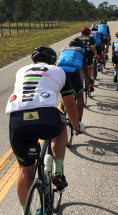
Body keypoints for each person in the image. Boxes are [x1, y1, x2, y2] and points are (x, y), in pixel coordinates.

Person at [6, 46, 85, 215]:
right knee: (62, 125)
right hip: (47, 118)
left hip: (17, 122)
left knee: (24, 170)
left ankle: (24, 212)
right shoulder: (59, 71)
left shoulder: (21, 71)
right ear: (53, 61)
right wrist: (77, 127)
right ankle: (58, 172)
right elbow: (70, 108)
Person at [58, 38, 89, 122]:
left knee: (64, 91)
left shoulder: (62, 49)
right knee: (79, 96)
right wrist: (89, 82)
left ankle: (63, 103)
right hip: (73, 72)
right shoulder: (82, 50)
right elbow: (85, 69)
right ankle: (78, 121)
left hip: (60, 71)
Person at [76, 27, 99, 91]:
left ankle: (80, 81)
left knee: (81, 69)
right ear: (89, 33)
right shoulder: (91, 38)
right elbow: (93, 48)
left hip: (79, 55)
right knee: (90, 68)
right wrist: (96, 55)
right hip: (88, 55)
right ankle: (91, 83)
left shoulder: (77, 38)